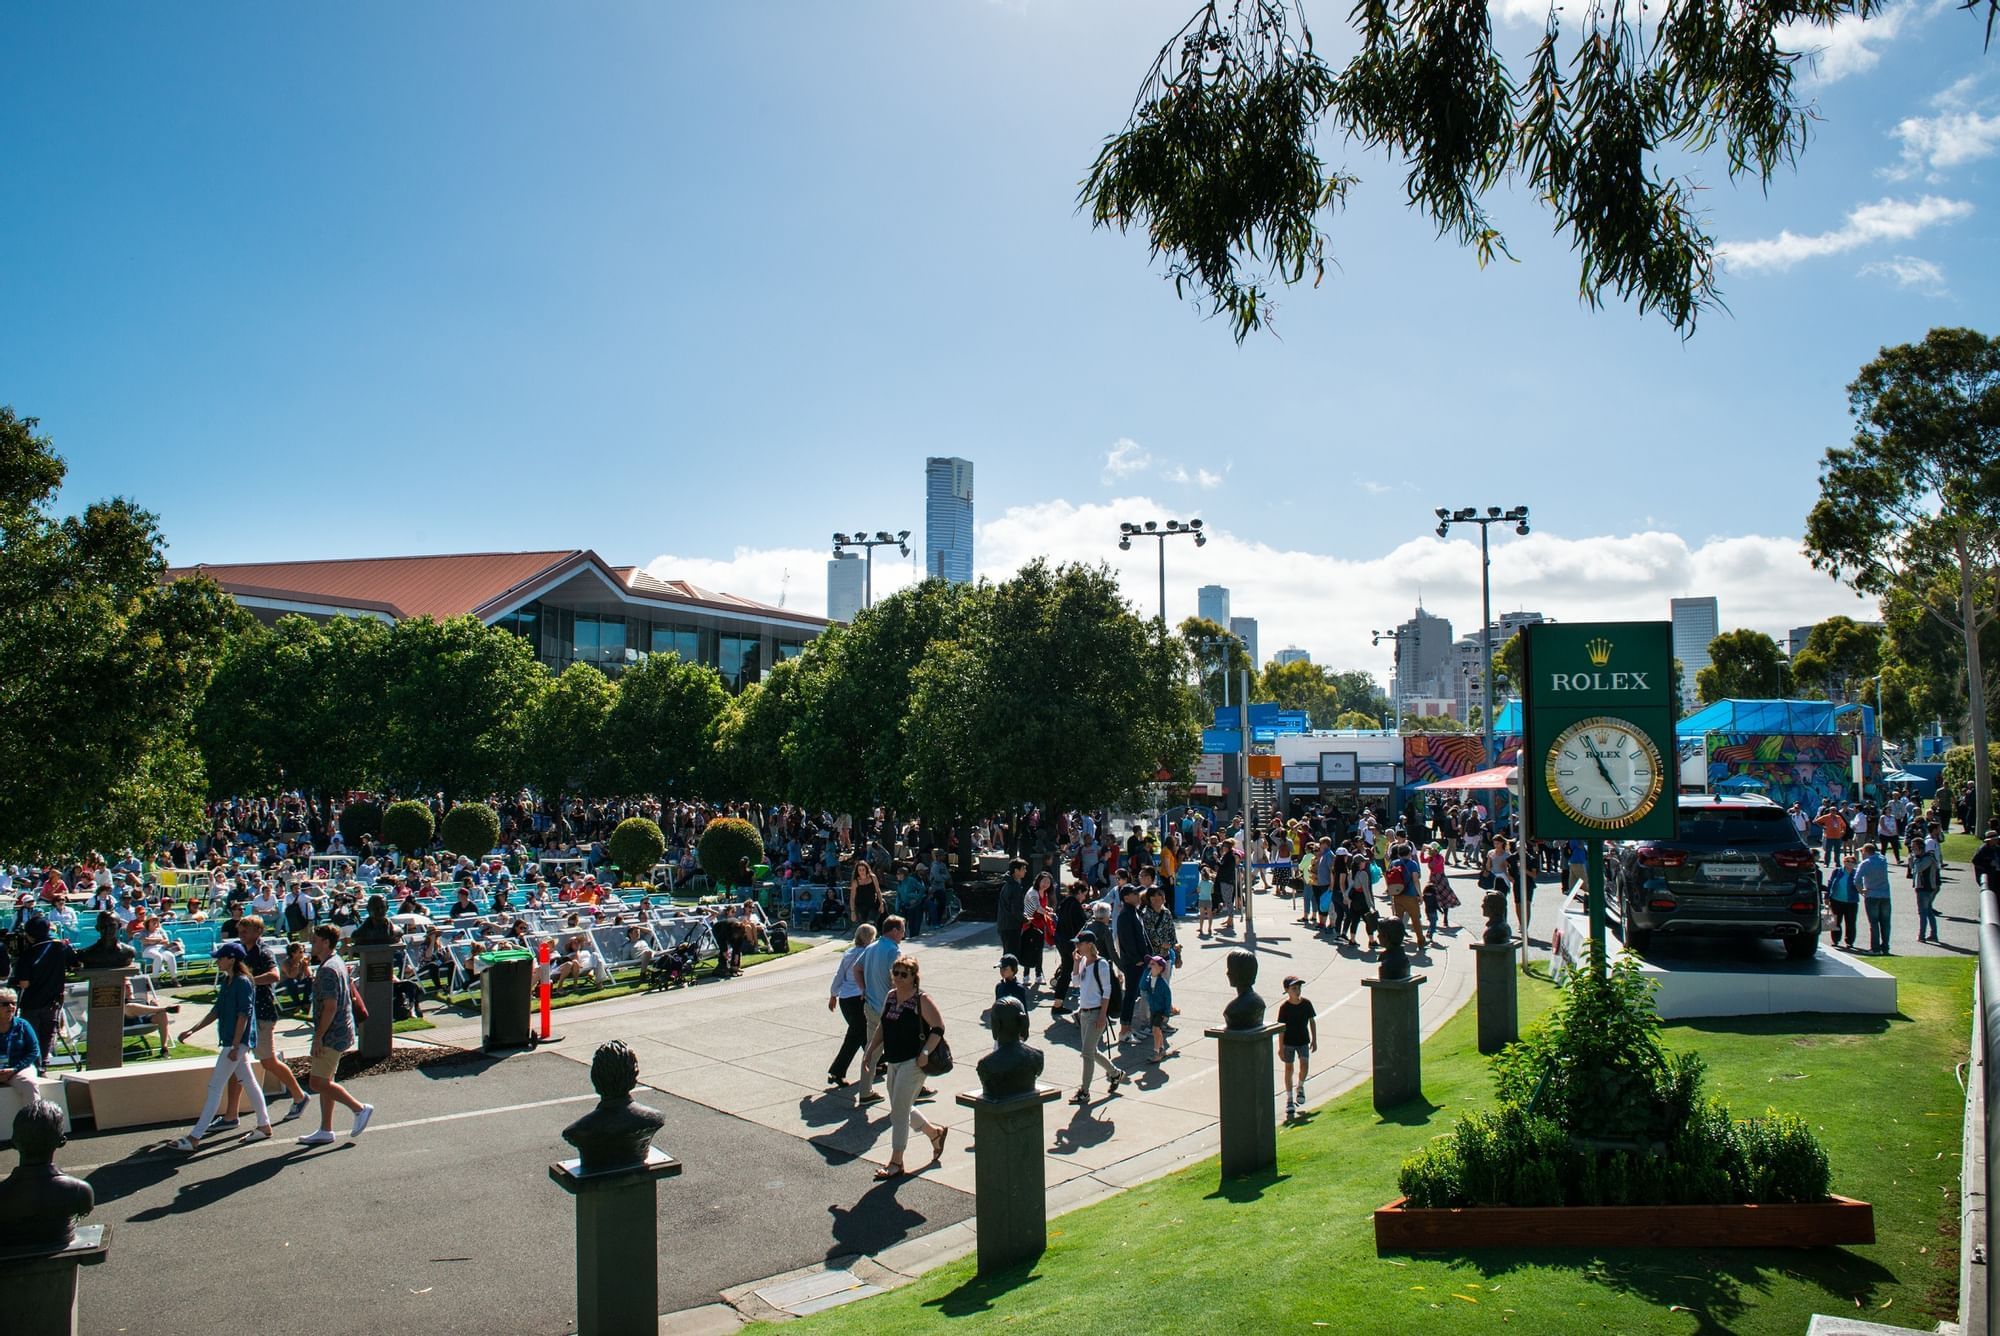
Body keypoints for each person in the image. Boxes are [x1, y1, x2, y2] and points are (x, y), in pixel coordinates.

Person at [169, 943, 273, 1151]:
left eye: (220, 958)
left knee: (214, 1087)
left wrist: (235, 1046)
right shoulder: (228, 981)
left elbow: (244, 1014)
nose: (217, 961)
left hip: (236, 1043)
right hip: (233, 1042)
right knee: (249, 1082)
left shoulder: (243, 982)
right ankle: (264, 1126)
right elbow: (217, 1010)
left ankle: (195, 1137)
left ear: (232, 959)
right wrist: (192, 1030)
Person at [871, 954, 948, 1179]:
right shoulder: (891, 996)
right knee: (899, 1107)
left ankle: (896, 1162)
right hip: (893, 1059)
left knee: (899, 1112)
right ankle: (934, 1133)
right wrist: (869, 1052)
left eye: (904, 974)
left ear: (914, 977)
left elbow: (938, 1028)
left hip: (914, 1062)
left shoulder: (921, 999)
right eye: (895, 973)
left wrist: (925, 1052)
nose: (898, 977)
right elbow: (883, 1027)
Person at [299, 924, 372, 1146]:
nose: (312, 943)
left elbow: (330, 1006)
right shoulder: (335, 962)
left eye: (315, 940)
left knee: (317, 1082)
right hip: (341, 1030)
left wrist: (318, 1036)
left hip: (332, 1034)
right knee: (326, 1080)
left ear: (326, 943)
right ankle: (326, 1129)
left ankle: (359, 1109)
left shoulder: (329, 969)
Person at [6, 917, 79, 1065]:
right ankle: (43, 1065)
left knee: (30, 1035)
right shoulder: (61, 947)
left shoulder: (28, 954)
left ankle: (34, 1065)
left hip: (32, 1002)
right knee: (47, 1035)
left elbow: (24, 984)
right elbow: (75, 964)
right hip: (53, 1001)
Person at [853, 916, 907, 1108]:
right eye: (901, 930)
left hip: (871, 1007)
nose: (903, 934)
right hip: (889, 1011)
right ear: (893, 931)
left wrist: (863, 989)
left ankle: (865, 1092)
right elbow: (898, 980)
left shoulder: (871, 947)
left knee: (871, 1052)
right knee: (904, 1052)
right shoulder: (893, 951)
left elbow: (856, 969)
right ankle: (909, 1091)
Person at [1068, 933, 1124, 1105]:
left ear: (1089, 945)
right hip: (1084, 1013)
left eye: (1080, 943)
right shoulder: (1084, 962)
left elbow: (1106, 992)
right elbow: (1076, 983)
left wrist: (1102, 1015)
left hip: (1095, 1013)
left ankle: (1084, 1091)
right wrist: (1076, 964)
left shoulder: (1101, 965)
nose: (1077, 946)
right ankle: (1115, 1073)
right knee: (1091, 1051)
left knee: (1086, 1053)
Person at [826, 923, 874, 1087]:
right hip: (858, 998)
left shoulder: (849, 953)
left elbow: (839, 975)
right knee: (856, 1034)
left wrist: (833, 994)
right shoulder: (867, 953)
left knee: (861, 1032)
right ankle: (837, 1071)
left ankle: (878, 1061)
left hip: (845, 999)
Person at [1276, 975, 1318, 1120]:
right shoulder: (1284, 1008)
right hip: (1288, 1043)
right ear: (1287, 990)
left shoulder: (1306, 1004)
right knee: (1289, 1068)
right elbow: (1281, 1029)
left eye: (1299, 987)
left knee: (1304, 1064)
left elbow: (1312, 1021)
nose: (1297, 990)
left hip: (1303, 1041)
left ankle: (1300, 1086)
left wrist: (1314, 1039)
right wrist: (1280, 1047)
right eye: (1294, 988)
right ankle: (1289, 1099)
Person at [0, 987, 45, 1116]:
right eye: (4, 1004)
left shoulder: (23, 1025)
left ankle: (35, 1124)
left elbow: (34, 1051)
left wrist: (14, 1069)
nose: (10, 1007)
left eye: (13, 1003)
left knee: (29, 1084)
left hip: (18, 1068)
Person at [1114, 881, 1148, 1044]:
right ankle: (1124, 1030)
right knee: (1130, 994)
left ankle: (1128, 1028)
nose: (1137, 896)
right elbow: (1127, 941)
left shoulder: (1134, 912)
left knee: (1133, 994)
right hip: (1133, 962)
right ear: (1126, 897)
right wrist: (1137, 960)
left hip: (1139, 961)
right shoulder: (1125, 915)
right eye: (1134, 894)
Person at [1049, 882, 1086, 1012]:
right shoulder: (1075, 905)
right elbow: (1081, 925)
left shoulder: (1065, 903)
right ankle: (1059, 1003)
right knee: (1070, 971)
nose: (1084, 898)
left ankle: (1058, 1002)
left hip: (1061, 941)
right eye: (1084, 895)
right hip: (1070, 943)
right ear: (1080, 892)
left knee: (1066, 970)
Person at [1857, 842, 1893, 955]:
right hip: (1885, 895)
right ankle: (1885, 947)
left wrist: (1861, 890)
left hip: (1872, 895)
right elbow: (1879, 855)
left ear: (1866, 852)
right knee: (1885, 923)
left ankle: (1875, 948)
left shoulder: (1866, 863)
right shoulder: (1883, 860)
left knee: (1874, 923)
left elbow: (1856, 879)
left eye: (1862, 851)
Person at [1137, 956, 1173, 1064]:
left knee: (1156, 1030)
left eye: (1153, 964)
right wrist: (1146, 971)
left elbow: (1168, 998)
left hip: (1160, 1011)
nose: (1150, 966)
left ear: (1160, 968)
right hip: (1153, 1009)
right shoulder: (1149, 979)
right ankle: (1161, 1048)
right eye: (1150, 964)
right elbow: (1142, 986)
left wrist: (1167, 1013)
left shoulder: (1162, 983)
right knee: (1156, 1030)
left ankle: (1156, 1052)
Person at [1909, 833, 1942, 944]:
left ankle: (1921, 935)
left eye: (1914, 847)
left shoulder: (1927, 858)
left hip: (1926, 888)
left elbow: (1918, 868)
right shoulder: (1921, 858)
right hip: (1921, 887)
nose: (1912, 849)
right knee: (1928, 911)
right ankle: (1933, 934)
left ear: (1920, 847)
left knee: (1923, 912)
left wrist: (1915, 858)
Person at [1825, 852, 1860, 950]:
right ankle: (1835, 940)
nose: (1850, 863)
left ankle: (1849, 942)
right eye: (1847, 861)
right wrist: (1827, 897)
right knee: (1835, 922)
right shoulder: (1837, 871)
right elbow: (1830, 883)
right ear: (1844, 862)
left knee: (1851, 923)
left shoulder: (1856, 873)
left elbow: (1860, 886)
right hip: (1836, 900)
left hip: (1851, 902)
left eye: (1852, 862)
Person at [996, 858, 1028, 961]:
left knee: (1008, 953)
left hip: (1004, 925)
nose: (1025, 871)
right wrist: (1026, 920)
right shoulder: (1015, 887)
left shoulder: (1007, 884)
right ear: (1016, 871)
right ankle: (1008, 975)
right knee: (1011, 956)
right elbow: (1015, 910)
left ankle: (1007, 974)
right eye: (1023, 869)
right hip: (1011, 926)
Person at [849, 859, 883, 929]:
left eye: (863, 869)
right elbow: (852, 897)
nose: (862, 872)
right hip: (860, 906)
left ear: (866, 869)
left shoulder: (872, 877)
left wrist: (881, 903)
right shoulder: (855, 882)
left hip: (872, 904)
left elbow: (878, 891)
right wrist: (853, 911)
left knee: (871, 923)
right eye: (860, 870)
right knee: (863, 926)